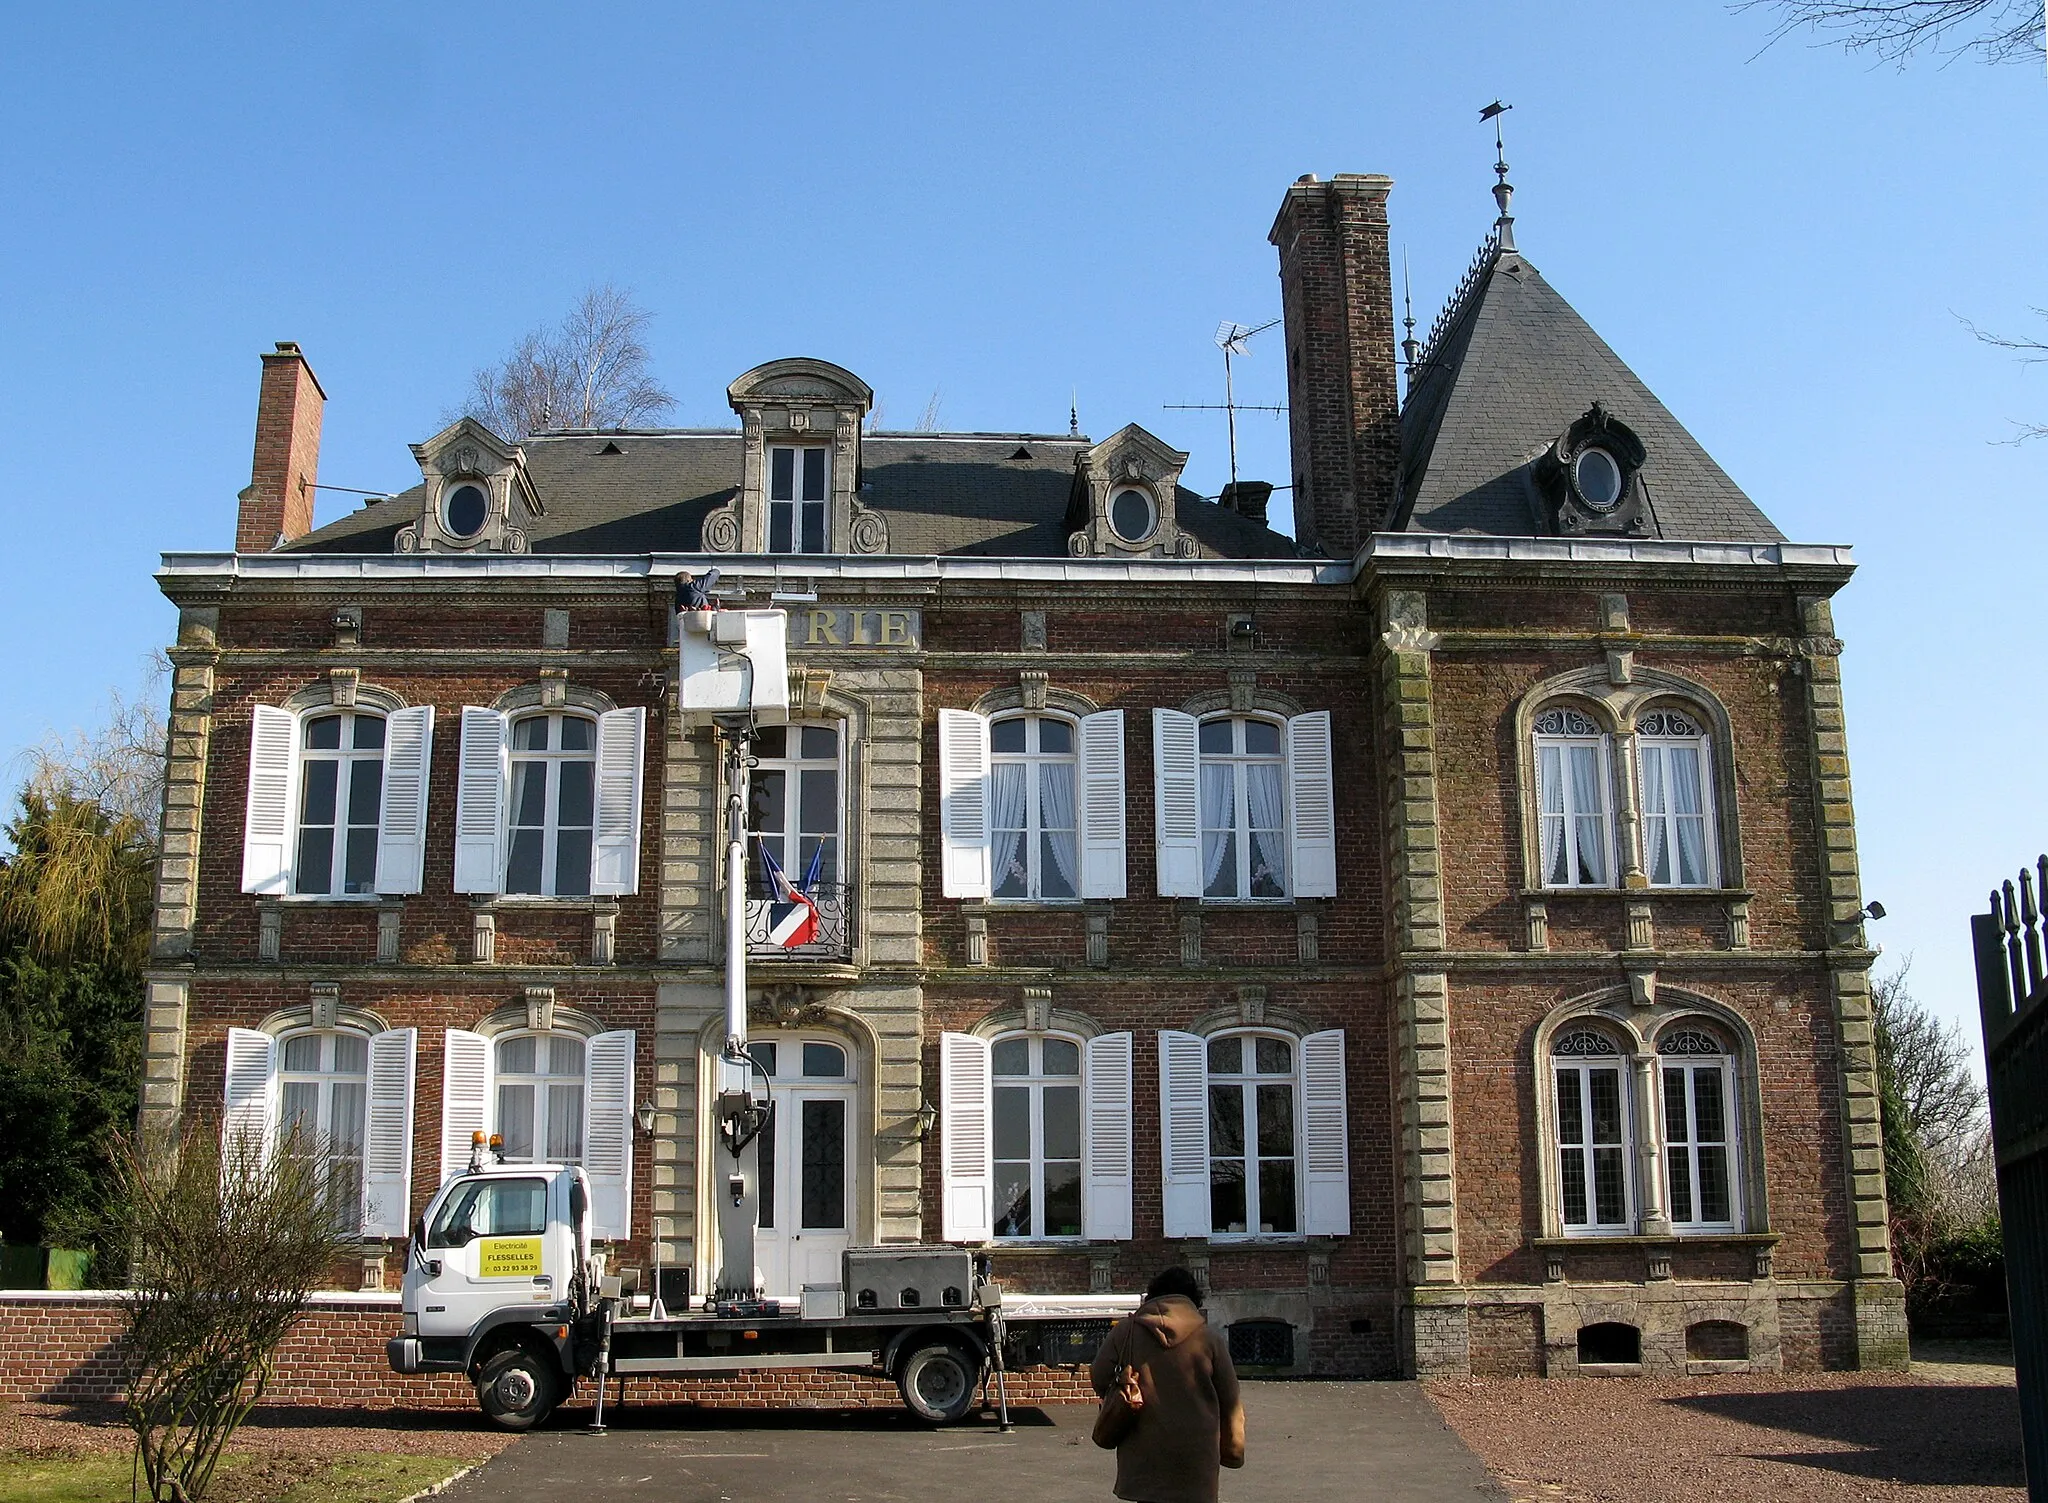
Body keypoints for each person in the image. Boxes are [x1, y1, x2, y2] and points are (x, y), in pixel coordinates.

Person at [1089, 1267, 1245, 1503]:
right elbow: (1230, 1400)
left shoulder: (1126, 1332)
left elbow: (1099, 1377)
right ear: (1193, 1300)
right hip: (1196, 1458)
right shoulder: (1209, 1338)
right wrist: (1233, 1451)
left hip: (1144, 1455)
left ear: (1152, 1296)